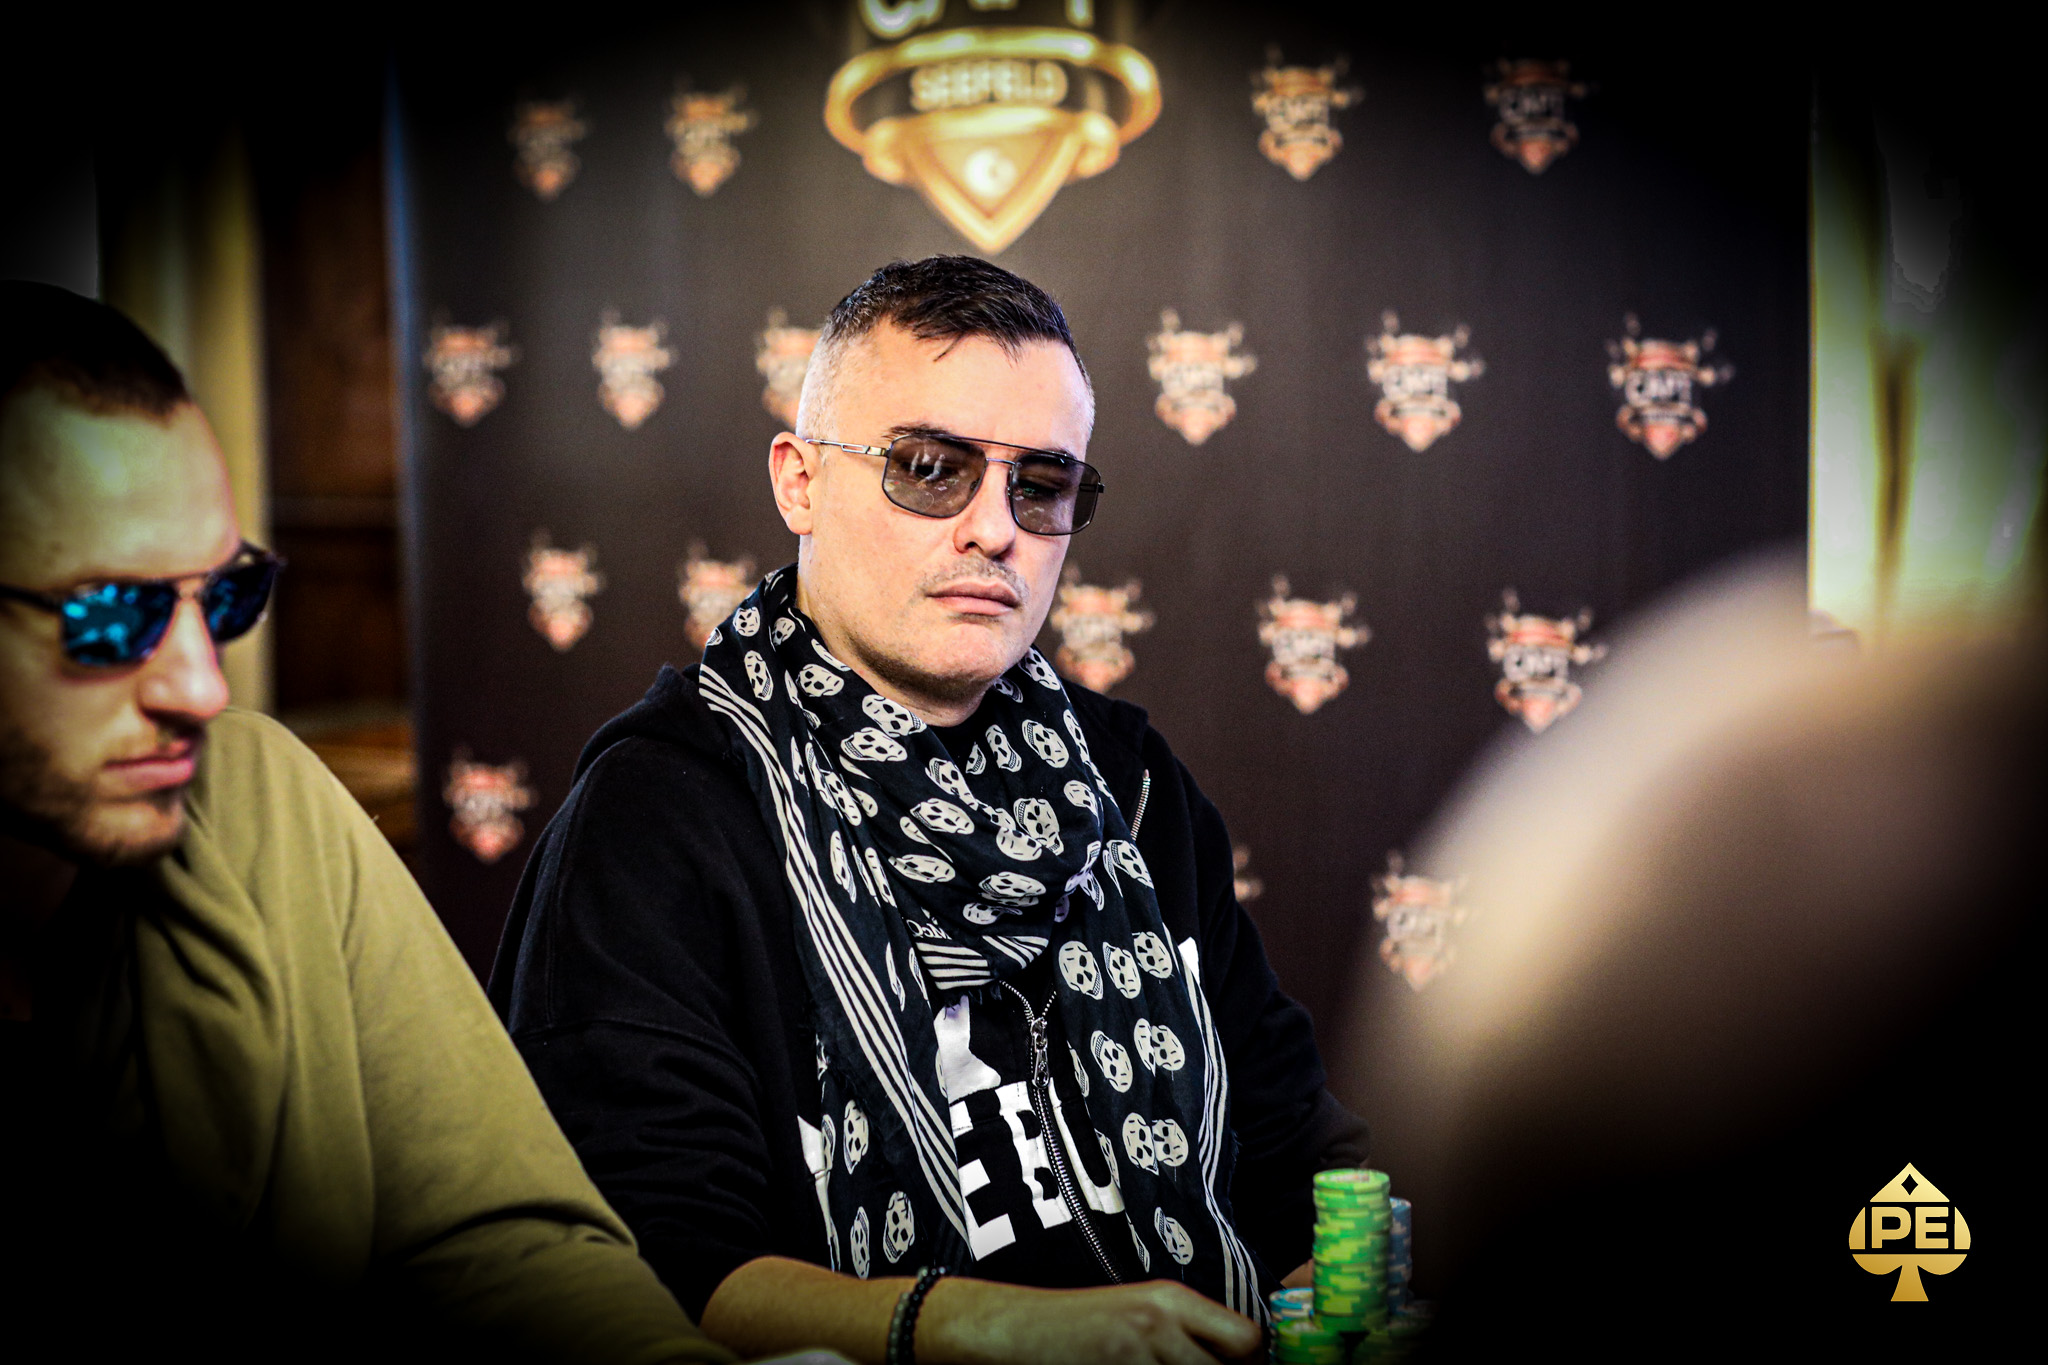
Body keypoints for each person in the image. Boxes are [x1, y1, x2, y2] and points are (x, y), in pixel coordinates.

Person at [491, 256, 1369, 1364]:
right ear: (800, 482)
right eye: (928, 469)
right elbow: (650, 1266)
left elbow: (1299, 1163)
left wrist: (1348, 1303)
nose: (994, 529)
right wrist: (982, 1328)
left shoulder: (1131, 784)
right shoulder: (658, 816)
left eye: (1039, 484)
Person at [0, 281, 730, 1364]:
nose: (202, 687)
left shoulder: (255, 796)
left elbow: (507, 1245)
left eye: (224, 599)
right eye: (111, 614)